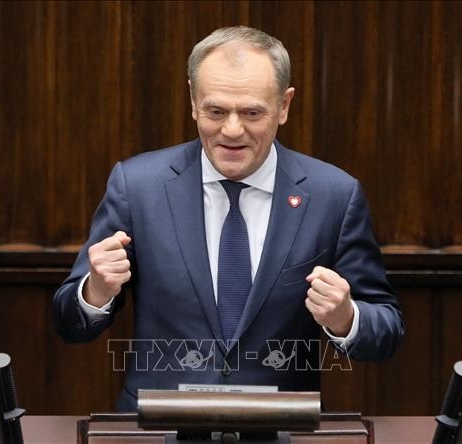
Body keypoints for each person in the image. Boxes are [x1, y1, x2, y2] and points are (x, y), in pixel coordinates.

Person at [52, 25, 404, 411]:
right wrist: (96, 292)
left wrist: (345, 317)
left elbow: (386, 331)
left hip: (280, 428)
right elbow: (69, 324)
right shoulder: (137, 187)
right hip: (157, 427)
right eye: (216, 111)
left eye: (252, 113)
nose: (232, 130)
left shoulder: (333, 196)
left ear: (284, 106)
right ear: (193, 101)